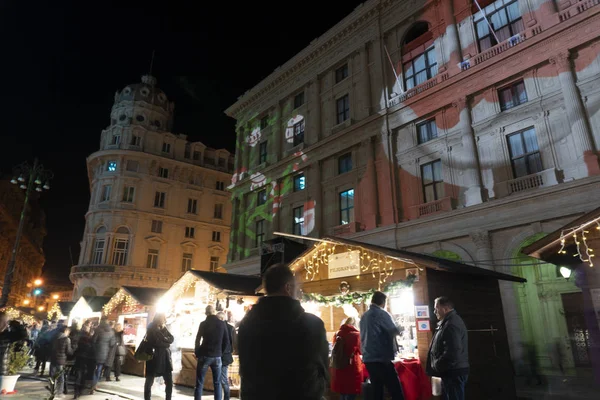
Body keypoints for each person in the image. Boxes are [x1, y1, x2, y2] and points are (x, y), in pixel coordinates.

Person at [238, 263, 329, 400]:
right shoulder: (311, 324)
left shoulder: (247, 323)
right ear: (287, 287)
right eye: (296, 287)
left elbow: (245, 367)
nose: (298, 291)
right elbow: (323, 369)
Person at [360, 291, 404, 400]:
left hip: (368, 358)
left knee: (377, 390)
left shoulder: (364, 316)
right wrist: (401, 328)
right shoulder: (382, 314)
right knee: (395, 389)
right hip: (381, 358)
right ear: (383, 302)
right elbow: (393, 331)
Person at [426, 297, 469, 400]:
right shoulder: (447, 322)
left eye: (436, 308)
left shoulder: (451, 324)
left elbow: (453, 352)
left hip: (453, 372)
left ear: (445, 309)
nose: (434, 311)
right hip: (451, 371)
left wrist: (437, 365)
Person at [194, 305, 227, 400]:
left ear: (206, 313)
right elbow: (226, 341)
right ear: (214, 312)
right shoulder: (222, 324)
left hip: (204, 355)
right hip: (217, 356)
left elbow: (198, 339)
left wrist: (197, 351)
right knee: (217, 383)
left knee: (199, 382)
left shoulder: (203, 324)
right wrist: (221, 352)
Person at [331, 317, 363, 400]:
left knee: (343, 392)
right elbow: (361, 351)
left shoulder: (337, 333)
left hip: (339, 366)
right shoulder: (357, 335)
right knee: (352, 392)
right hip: (352, 367)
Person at [144, 314, 174, 400]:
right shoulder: (151, 329)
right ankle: (147, 398)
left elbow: (171, 338)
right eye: (164, 319)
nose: (165, 321)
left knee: (169, 382)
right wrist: (166, 343)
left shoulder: (163, 328)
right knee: (149, 381)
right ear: (160, 320)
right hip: (154, 358)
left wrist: (165, 341)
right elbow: (157, 343)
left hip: (165, 359)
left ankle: (168, 398)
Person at [0, 312, 27, 376]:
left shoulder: (6, 335)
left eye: (6, 322)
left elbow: (22, 335)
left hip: (2, 372)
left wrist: (16, 324)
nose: (5, 325)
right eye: (3, 322)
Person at [74, 321, 96, 399]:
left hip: (79, 361)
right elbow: (93, 353)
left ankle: (76, 392)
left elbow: (76, 351)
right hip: (86, 362)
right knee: (83, 377)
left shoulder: (80, 342)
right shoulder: (91, 344)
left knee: (78, 376)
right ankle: (80, 391)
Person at [92, 318, 116, 388]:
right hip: (105, 352)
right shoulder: (111, 332)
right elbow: (112, 343)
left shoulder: (98, 330)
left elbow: (93, 340)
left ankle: (92, 382)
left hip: (96, 351)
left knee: (93, 367)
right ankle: (95, 384)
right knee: (99, 368)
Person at [49, 325, 73, 398]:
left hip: (53, 359)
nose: (68, 333)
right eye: (68, 331)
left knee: (52, 376)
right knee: (61, 378)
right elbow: (69, 351)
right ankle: (60, 392)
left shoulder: (54, 337)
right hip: (61, 360)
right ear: (65, 331)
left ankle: (52, 391)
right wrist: (73, 350)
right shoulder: (66, 339)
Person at [217, 311, 235, 400]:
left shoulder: (219, 327)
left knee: (222, 380)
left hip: (221, 356)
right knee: (223, 380)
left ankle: (225, 398)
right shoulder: (231, 328)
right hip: (226, 356)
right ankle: (225, 397)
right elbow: (233, 344)